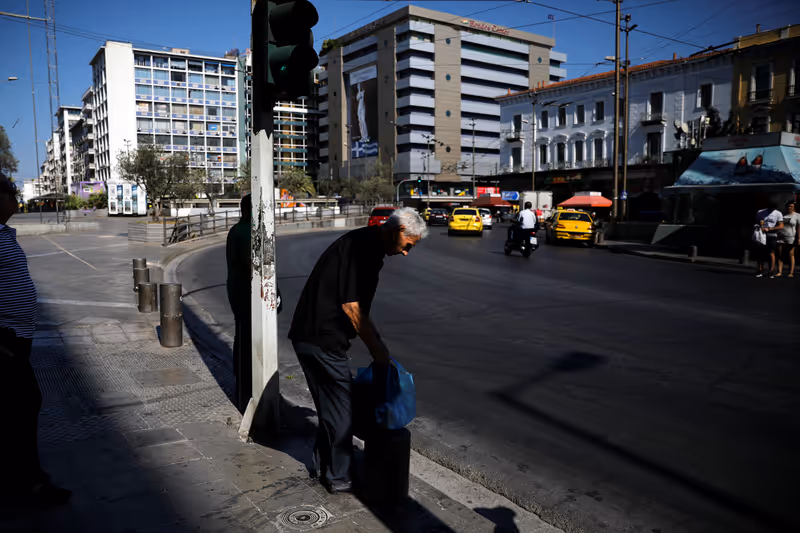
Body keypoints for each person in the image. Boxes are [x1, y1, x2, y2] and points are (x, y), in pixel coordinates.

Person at [288, 207, 428, 494]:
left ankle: (323, 467)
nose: (406, 253)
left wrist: (376, 343)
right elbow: (352, 307)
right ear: (399, 231)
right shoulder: (362, 248)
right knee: (344, 411)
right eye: (408, 245)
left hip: (311, 336)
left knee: (331, 407)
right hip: (322, 340)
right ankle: (339, 477)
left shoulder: (366, 244)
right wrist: (378, 351)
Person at [0, 175, 71, 505]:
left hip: (17, 336)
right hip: (6, 340)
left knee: (17, 408)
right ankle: (30, 483)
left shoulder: (4, 233)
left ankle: (19, 477)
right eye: (11, 193)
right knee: (24, 404)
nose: (16, 198)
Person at [226, 194, 282, 412]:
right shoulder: (249, 232)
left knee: (242, 335)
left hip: (236, 290)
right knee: (251, 339)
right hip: (248, 293)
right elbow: (255, 266)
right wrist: (273, 292)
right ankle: (252, 388)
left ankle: (242, 385)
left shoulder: (235, 230)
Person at [754, 202, 784, 278]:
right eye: (770, 208)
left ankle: (771, 271)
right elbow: (757, 221)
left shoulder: (778, 213)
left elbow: (781, 225)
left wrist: (771, 228)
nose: (772, 210)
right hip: (762, 234)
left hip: (772, 234)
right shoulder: (760, 212)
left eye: (773, 209)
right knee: (760, 252)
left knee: (771, 253)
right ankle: (760, 270)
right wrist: (759, 226)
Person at [776, 200, 800, 278]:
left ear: (794, 207)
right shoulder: (782, 214)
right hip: (781, 237)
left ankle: (791, 272)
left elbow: (798, 228)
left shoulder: (797, 216)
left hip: (791, 237)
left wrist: (799, 238)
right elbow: (778, 224)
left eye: (791, 206)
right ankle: (779, 272)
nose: (790, 207)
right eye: (788, 206)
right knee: (780, 254)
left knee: (791, 255)